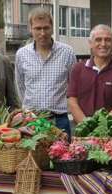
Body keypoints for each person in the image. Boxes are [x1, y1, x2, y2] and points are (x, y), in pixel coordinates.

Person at [15, 8, 76, 137]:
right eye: (37, 28)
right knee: (33, 157)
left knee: (63, 155)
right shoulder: (22, 54)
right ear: (30, 29)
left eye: (46, 28)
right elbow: (21, 86)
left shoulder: (67, 52)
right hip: (31, 121)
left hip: (59, 120)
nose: (42, 33)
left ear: (52, 28)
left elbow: (74, 86)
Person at [67, 25, 112, 124]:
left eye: (108, 40)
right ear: (90, 43)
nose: (103, 44)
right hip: (81, 130)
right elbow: (72, 102)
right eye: (98, 40)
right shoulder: (78, 69)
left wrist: (101, 127)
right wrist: (86, 125)